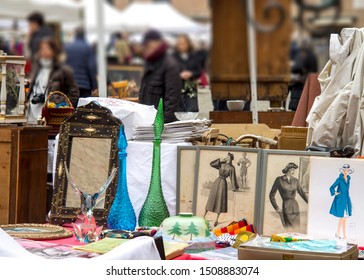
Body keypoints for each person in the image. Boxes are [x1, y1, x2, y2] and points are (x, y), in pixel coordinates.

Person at [27, 37, 79, 124]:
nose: (43, 51)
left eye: (47, 48)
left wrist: (63, 108)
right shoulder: (37, 67)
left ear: (54, 50)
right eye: (41, 48)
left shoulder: (63, 70)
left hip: (52, 115)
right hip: (33, 112)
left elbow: (74, 92)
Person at [139, 29, 181, 123]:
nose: (146, 49)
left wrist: (165, 121)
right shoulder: (150, 61)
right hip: (148, 118)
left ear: (157, 43)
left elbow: (172, 96)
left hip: (160, 121)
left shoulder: (170, 64)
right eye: (145, 46)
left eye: (148, 45)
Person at [269, 162, 308, 229]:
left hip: (295, 207)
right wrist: (276, 208)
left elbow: (303, 194)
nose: (293, 172)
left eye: (294, 170)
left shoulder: (296, 181)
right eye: (292, 170)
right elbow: (271, 195)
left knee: (296, 229)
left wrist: (311, 204)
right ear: (287, 169)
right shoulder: (279, 180)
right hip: (286, 207)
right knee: (288, 229)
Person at [204, 153, 239, 227]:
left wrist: (234, 187)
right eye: (226, 156)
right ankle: (204, 215)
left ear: (230, 158)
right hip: (217, 182)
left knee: (220, 201)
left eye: (227, 156)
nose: (226, 157)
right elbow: (211, 164)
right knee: (211, 198)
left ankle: (217, 219)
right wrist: (219, 160)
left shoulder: (231, 168)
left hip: (223, 184)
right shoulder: (221, 164)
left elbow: (233, 178)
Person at [65, 27, 97, 98]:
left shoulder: (67, 47)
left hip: (70, 85)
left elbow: (64, 66)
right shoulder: (88, 48)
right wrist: (94, 85)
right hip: (85, 85)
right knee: (83, 108)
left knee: (71, 107)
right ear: (84, 34)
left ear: (75, 34)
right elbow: (92, 67)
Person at [173, 34, 201, 112]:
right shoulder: (173, 56)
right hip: (177, 88)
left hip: (191, 89)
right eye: (179, 44)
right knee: (179, 112)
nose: (181, 46)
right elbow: (169, 72)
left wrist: (191, 74)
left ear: (188, 44)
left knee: (192, 111)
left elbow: (198, 71)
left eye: (183, 44)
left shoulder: (194, 56)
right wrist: (178, 75)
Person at [329, 164, 353, 240]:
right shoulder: (339, 179)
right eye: (344, 170)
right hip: (340, 199)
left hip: (346, 199)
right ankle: (343, 235)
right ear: (342, 170)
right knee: (343, 217)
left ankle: (338, 233)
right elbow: (331, 187)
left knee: (343, 218)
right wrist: (335, 193)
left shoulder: (348, 178)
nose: (346, 172)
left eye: (347, 170)